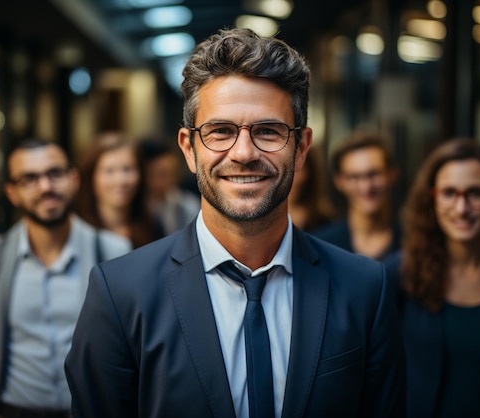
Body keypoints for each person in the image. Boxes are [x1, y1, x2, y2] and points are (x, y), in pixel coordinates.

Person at [65, 27, 404, 418]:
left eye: (268, 131)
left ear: (302, 148)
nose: (243, 152)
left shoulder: (365, 289)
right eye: (220, 131)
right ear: (189, 149)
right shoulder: (121, 294)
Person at [0, 138, 131, 418]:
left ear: (73, 179)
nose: (45, 187)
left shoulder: (114, 252)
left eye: (55, 173)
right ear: (12, 193)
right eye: (29, 179)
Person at [384, 138, 480, 417]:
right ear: (431, 199)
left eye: (475, 193)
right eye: (449, 193)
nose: (461, 208)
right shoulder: (399, 275)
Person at [313, 130, 401, 260]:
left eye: (374, 174)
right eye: (354, 177)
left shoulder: (414, 241)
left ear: (392, 174)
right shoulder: (322, 246)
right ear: (339, 182)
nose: (366, 187)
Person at [76, 131, 162, 248]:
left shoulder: (153, 226)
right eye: (109, 171)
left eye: (127, 169)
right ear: (91, 176)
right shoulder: (78, 231)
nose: (120, 180)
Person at [138, 136, 201, 236]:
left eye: (174, 173)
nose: (170, 180)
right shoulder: (135, 210)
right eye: (161, 175)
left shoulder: (187, 204)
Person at [287, 145, 338, 232]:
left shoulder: (326, 223)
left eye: (300, 168)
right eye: (288, 168)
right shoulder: (260, 222)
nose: (297, 178)